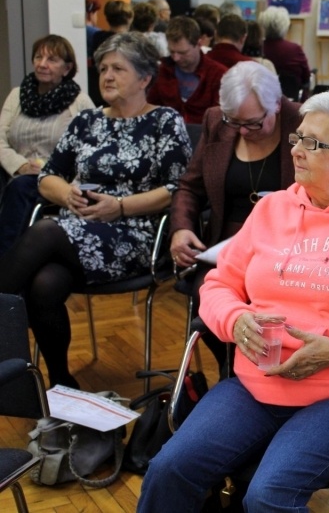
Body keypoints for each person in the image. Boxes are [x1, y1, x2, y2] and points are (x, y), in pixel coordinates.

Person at [138, 87, 329, 511]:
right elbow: (218, 285)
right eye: (299, 138)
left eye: (313, 144)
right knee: (169, 469)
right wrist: (235, 319)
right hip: (256, 383)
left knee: (268, 495)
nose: (296, 150)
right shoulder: (272, 209)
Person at [0, 32, 190, 389]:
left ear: (145, 78)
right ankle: (61, 383)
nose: (107, 75)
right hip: (77, 231)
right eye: (103, 68)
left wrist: (119, 207)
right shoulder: (87, 122)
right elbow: (47, 177)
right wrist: (66, 194)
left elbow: (177, 188)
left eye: (118, 68)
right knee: (45, 284)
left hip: (136, 234)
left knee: (46, 230)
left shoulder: (165, 121)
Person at [170, 61, 301, 375]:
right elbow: (190, 185)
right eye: (235, 122)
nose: (242, 131)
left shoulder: (303, 121)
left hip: (286, 247)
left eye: (254, 123)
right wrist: (181, 228)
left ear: (277, 105)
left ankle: (259, 379)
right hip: (225, 250)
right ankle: (230, 374)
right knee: (209, 309)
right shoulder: (217, 121)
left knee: (268, 310)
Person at [0, 35, 94, 256]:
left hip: (57, 180)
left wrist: (49, 171)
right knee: (19, 184)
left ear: (67, 68)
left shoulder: (79, 102)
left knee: (22, 187)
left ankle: (5, 268)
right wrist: (20, 165)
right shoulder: (17, 96)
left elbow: (92, 149)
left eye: (51, 59)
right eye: (38, 57)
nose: (42, 64)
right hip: (13, 173)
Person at [148, 16, 228, 125]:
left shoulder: (218, 75)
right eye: (171, 51)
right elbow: (150, 108)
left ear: (199, 44)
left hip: (203, 137)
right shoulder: (162, 71)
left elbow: (222, 119)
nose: (176, 58)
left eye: (183, 53)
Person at [259, 7, 311, 94]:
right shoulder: (295, 49)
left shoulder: (259, 48)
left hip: (264, 97)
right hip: (291, 99)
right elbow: (306, 77)